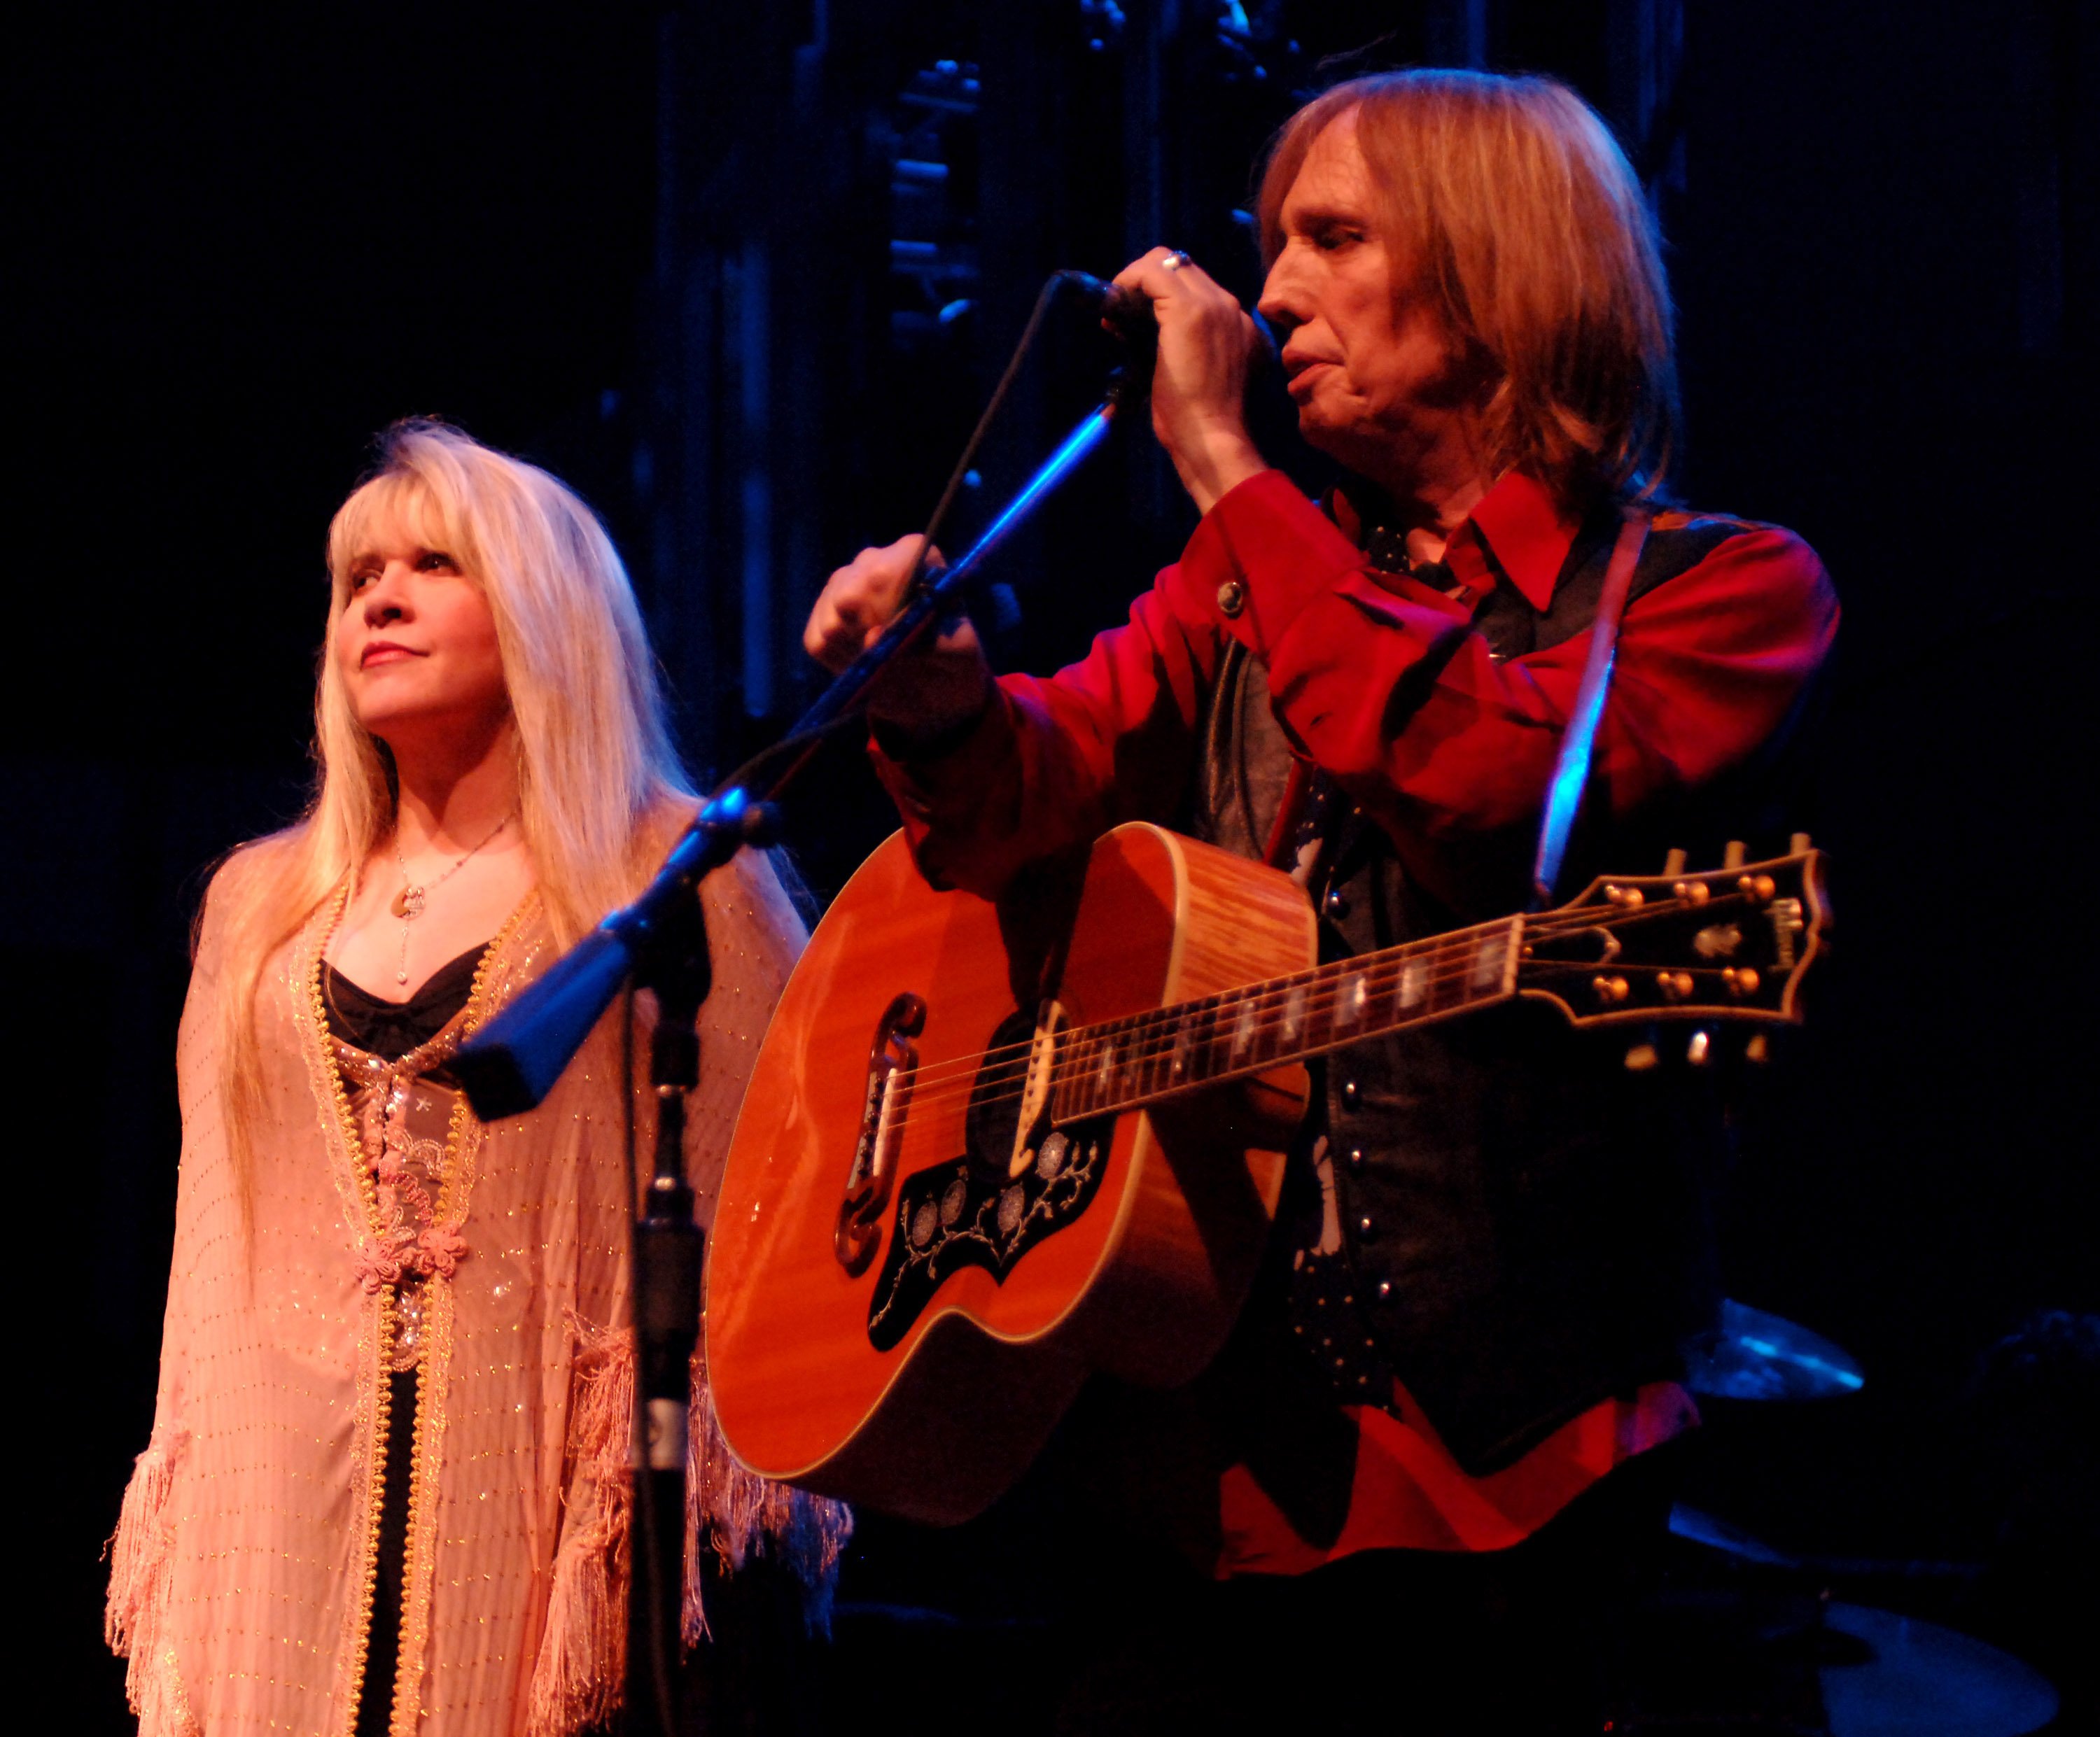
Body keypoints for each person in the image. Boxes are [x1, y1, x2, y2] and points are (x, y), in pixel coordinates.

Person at [806, 70, 1837, 1733]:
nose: (1270, 291)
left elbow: (1490, 796)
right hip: (1188, 1471)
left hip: (1515, 1486)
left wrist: (1221, 463)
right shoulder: (1249, 581)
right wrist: (934, 702)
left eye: (1331, 238)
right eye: (1275, 241)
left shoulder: (1727, 589)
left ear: (1498, 270)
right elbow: (1039, 780)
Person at [106, 421, 848, 1737]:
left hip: (547, 1516)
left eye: (433, 564)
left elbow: (778, 1193)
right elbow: (214, 1250)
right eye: (356, 579)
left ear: (544, 611)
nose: (379, 598)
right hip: (288, 1516)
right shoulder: (259, 906)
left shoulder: (670, 876)